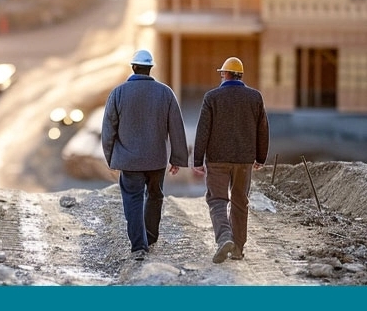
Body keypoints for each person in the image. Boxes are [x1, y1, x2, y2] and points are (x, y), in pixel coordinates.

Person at [101, 49, 189, 261]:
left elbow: (108, 129)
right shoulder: (165, 93)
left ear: (133, 67)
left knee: (133, 200)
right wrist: (177, 158)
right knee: (155, 196)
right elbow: (176, 126)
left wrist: (111, 157)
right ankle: (150, 237)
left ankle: (139, 246)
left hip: (129, 161)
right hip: (156, 160)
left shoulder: (118, 93)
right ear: (150, 69)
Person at [193, 56, 269, 264]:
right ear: (240, 75)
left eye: (221, 73)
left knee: (217, 199)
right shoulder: (255, 97)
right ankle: (237, 249)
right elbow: (262, 129)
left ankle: (224, 237)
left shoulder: (212, 97)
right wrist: (261, 157)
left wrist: (198, 159)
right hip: (244, 160)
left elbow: (203, 130)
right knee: (239, 201)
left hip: (217, 159)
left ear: (225, 74)